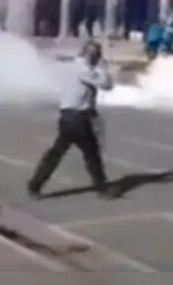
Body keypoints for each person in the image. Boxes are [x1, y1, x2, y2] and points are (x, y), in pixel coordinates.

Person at [27, 40, 117, 200]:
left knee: (56, 153)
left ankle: (35, 185)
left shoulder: (72, 66)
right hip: (79, 118)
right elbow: (106, 84)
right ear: (93, 56)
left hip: (66, 115)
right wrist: (103, 68)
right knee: (92, 154)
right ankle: (102, 188)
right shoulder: (84, 70)